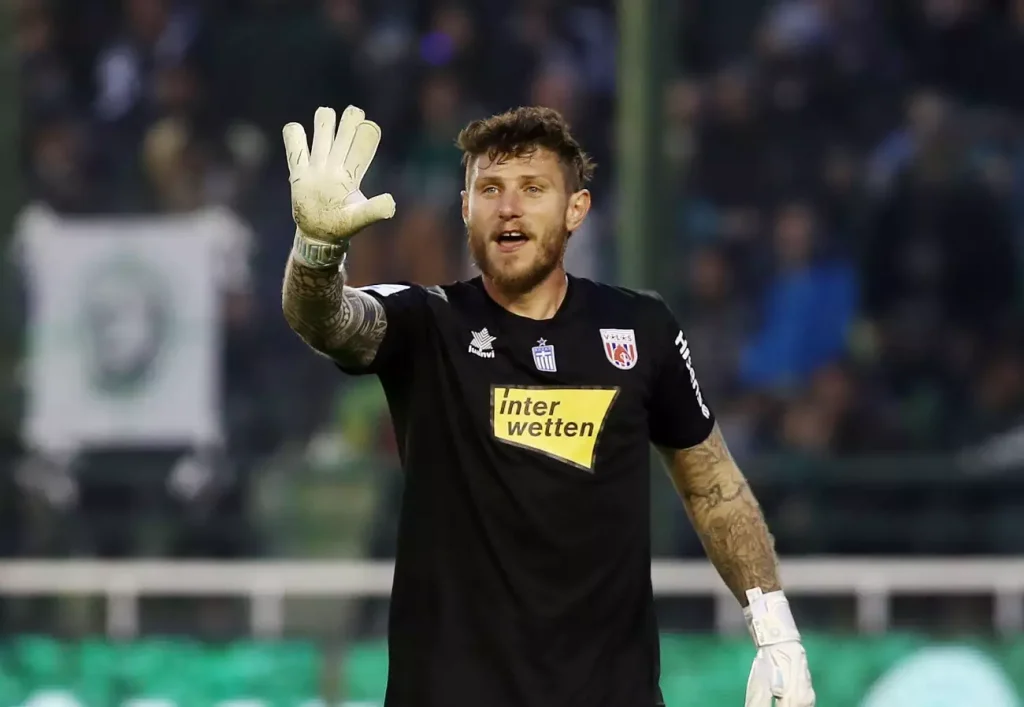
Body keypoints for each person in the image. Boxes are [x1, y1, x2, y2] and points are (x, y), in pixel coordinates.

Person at [280, 105, 816, 707]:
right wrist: (317, 251)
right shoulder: (426, 321)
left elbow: (710, 480)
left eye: (533, 189)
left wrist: (775, 629)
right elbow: (328, 320)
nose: (508, 207)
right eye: (490, 189)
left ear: (575, 210)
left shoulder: (640, 327)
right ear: (466, 209)